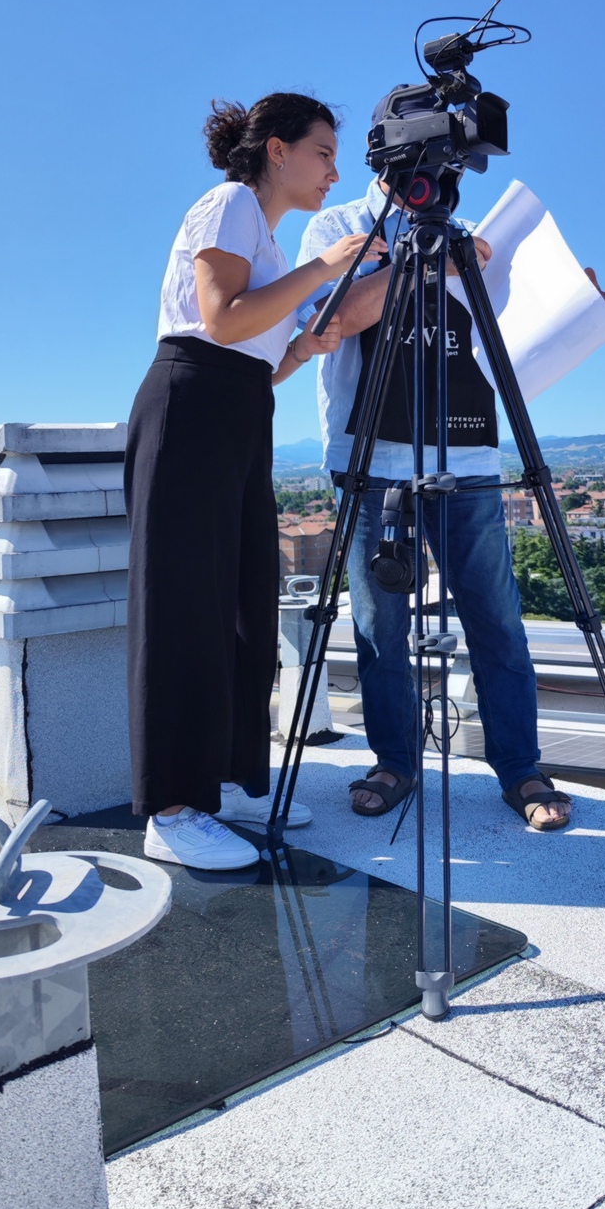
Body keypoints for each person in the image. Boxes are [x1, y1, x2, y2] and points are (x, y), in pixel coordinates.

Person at [296, 157, 605, 831]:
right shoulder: (341, 229)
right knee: (379, 626)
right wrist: (426, 264)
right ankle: (393, 763)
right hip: (369, 458)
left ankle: (521, 769)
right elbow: (333, 322)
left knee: (497, 622)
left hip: (470, 455)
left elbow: (513, 335)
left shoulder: (473, 236)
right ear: (388, 153)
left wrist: (582, 317)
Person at [125, 92, 385, 871]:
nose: (334, 172)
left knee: (245, 607)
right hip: (189, 409)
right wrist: (325, 266)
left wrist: (301, 348)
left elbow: (252, 361)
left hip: (235, 411)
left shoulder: (265, 242)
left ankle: (230, 780)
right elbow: (221, 321)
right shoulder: (232, 203)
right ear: (277, 149)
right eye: (323, 153)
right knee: (182, 610)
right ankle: (172, 809)